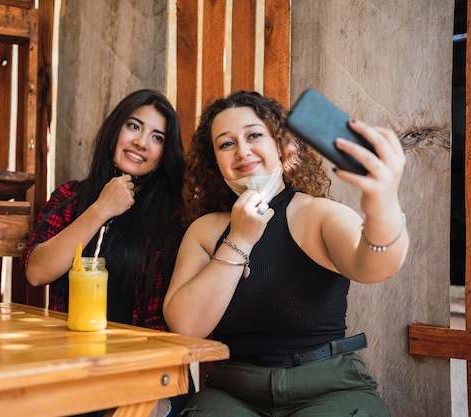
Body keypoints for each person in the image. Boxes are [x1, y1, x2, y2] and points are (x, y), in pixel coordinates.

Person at [163, 90, 409, 417]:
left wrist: (383, 206)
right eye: (226, 143)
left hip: (329, 388)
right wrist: (239, 240)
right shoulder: (205, 231)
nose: (242, 150)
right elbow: (186, 326)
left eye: (254, 135)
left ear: (280, 146)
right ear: (215, 161)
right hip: (234, 393)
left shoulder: (319, 214)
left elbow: (374, 265)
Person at [22, 89, 190, 417]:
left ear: (163, 153)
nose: (142, 142)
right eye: (134, 126)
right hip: (71, 362)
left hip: (146, 369)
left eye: (157, 137)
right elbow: (37, 271)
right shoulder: (71, 196)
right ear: (115, 130)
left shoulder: (173, 215)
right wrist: (100, 209)